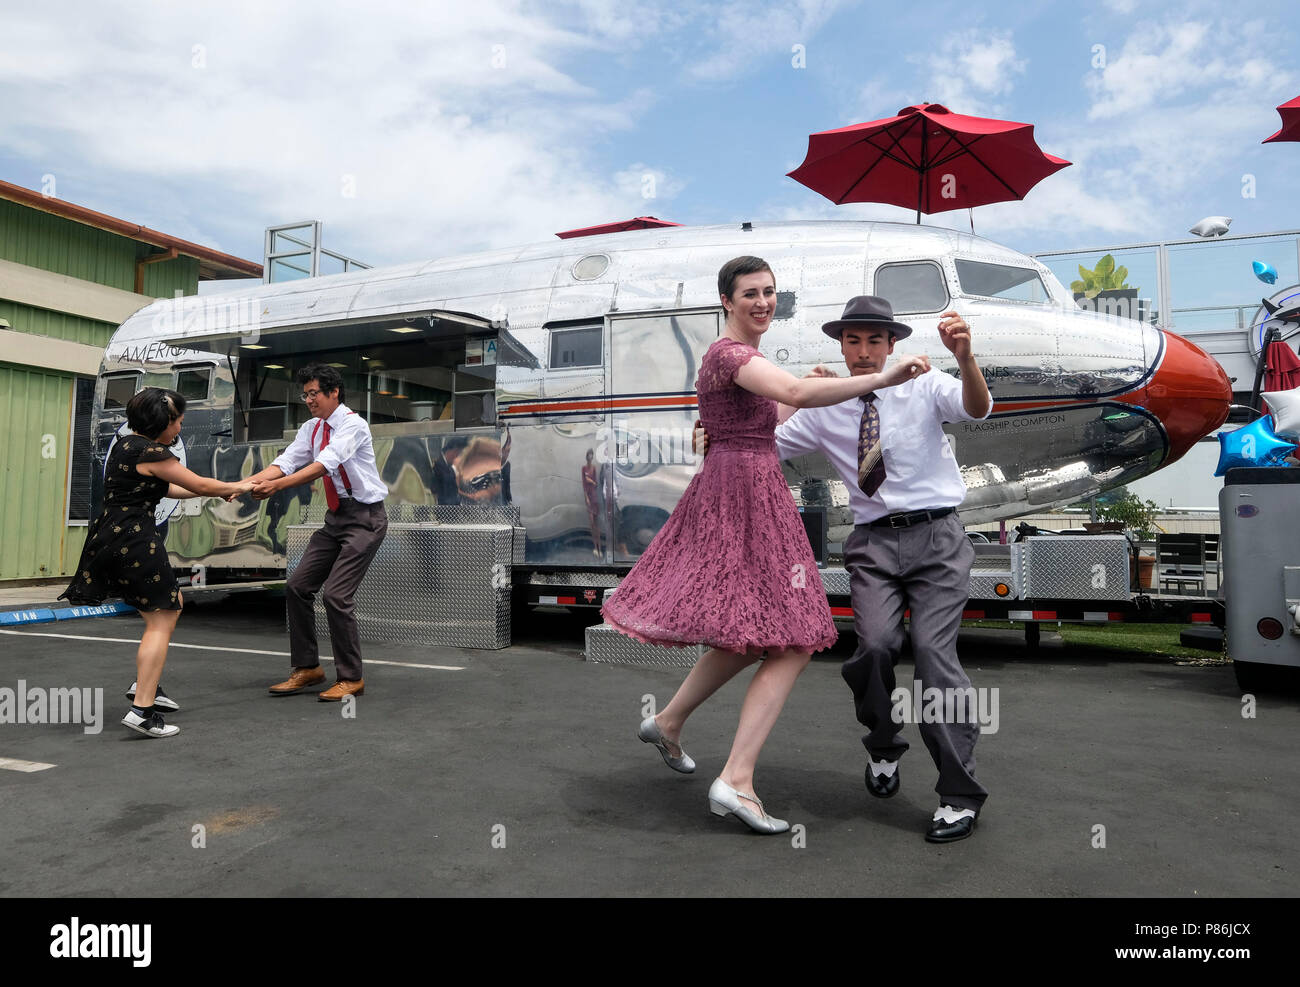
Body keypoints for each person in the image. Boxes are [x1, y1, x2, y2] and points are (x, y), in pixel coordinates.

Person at [602, 257, 928, 834]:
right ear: (726, 301)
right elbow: (791, 391)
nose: (763, 301)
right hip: (745, 492)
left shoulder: (738, 359)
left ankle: (672, 721)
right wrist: (881, 376)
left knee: (755, 631)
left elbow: (764, 420)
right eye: (750, 293)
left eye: (770, 292)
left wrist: (807, 393)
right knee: (794, 638)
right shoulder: (731, 354)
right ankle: (737, 780)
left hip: (743, 481)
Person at [736, 295, 993, 843]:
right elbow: (764, 444)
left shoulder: (924, 383)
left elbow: (976, 408)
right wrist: (788, 396)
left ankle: (959, 794)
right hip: (873, 543)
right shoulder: (827, 404)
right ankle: (883, 745)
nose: (862, 351)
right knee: (874, 647)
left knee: (932, 654)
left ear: (892, 343)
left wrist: (966, 358)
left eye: (874, 340)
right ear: (841, 345)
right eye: (852, 340)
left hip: (938, 539)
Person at [60, 388, 252, 738]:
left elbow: (176, 488)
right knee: (162, 616)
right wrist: (238, 484)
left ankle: (144, 686)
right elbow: (198, 483)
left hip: (114, 536)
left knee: (170, 605)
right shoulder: (151, 451)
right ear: (161, 422)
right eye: (177, 422)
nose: (179, 428)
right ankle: (142, 710)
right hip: (133, 540)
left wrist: (222, 489)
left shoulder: (127, 446)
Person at [247, 364, 388, 701]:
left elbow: (324, 464)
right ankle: (308, 668)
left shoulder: (352, 425)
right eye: (305, 394)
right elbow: (286, 461)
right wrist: (247, 483)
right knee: (297, 586)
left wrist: (277, 486)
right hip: (336, 518)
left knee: (336, 595)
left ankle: (351, 678)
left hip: (365, 518)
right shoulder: (311, 428)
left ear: (333, 392)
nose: (308, 400)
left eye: (314, 393)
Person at [581, 448, 602, 555]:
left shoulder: (594, 468)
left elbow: (596, 483)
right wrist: (587, 498)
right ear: (587, 456)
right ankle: (595, 547)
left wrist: (592, 482)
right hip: (589, 496)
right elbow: (584, 484)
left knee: (596, 524)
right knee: (592, 523)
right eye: (589, 455)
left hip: (594, 496)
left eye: (591, 455)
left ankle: (599, 548)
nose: (590, 457)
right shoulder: (584, 468)